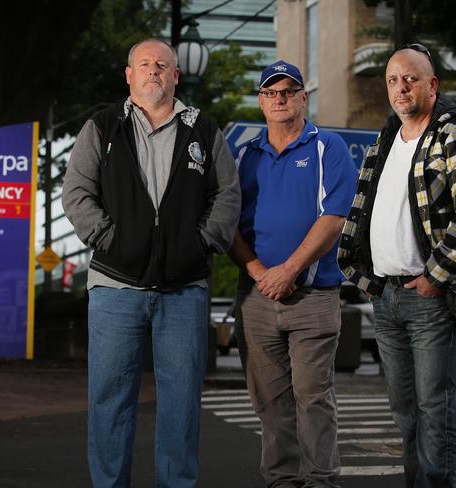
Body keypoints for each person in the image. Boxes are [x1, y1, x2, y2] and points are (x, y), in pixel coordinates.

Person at [61, 38, 240, 488]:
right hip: (115, 288)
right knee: (109, 401)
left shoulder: (204, 130)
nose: (154, 71)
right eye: (145, 64)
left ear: (176, 75)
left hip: (183, 290)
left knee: (180, 404)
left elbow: (228, 195)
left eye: (163, 64)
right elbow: (76, 193)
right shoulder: (102, 127)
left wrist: (199, 244)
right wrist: (109, 239)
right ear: (129, 74)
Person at [337, 43, 456, 488]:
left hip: (431, 298)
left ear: (433, 85)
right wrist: (368, 280)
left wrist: (434, 277)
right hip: (386, 297)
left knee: (436, 406)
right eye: (392, 80)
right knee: (405, 409)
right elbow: (364, 211)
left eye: (410, 78)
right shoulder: (384, 142)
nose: (400, 87)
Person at [230, 60, 357, 488]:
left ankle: (322, 481)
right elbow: (226, 223)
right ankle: (281, 481)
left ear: (304, 98)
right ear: (261, 102)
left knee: (313, 397)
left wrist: (288, 269)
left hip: (313, 297)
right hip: (256, 298)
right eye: (270, 92)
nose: (279, 98)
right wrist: (258, 271)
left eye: (288, 90)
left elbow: (335, 217)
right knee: (270, 402)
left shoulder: (329, 148)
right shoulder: (244, 155)